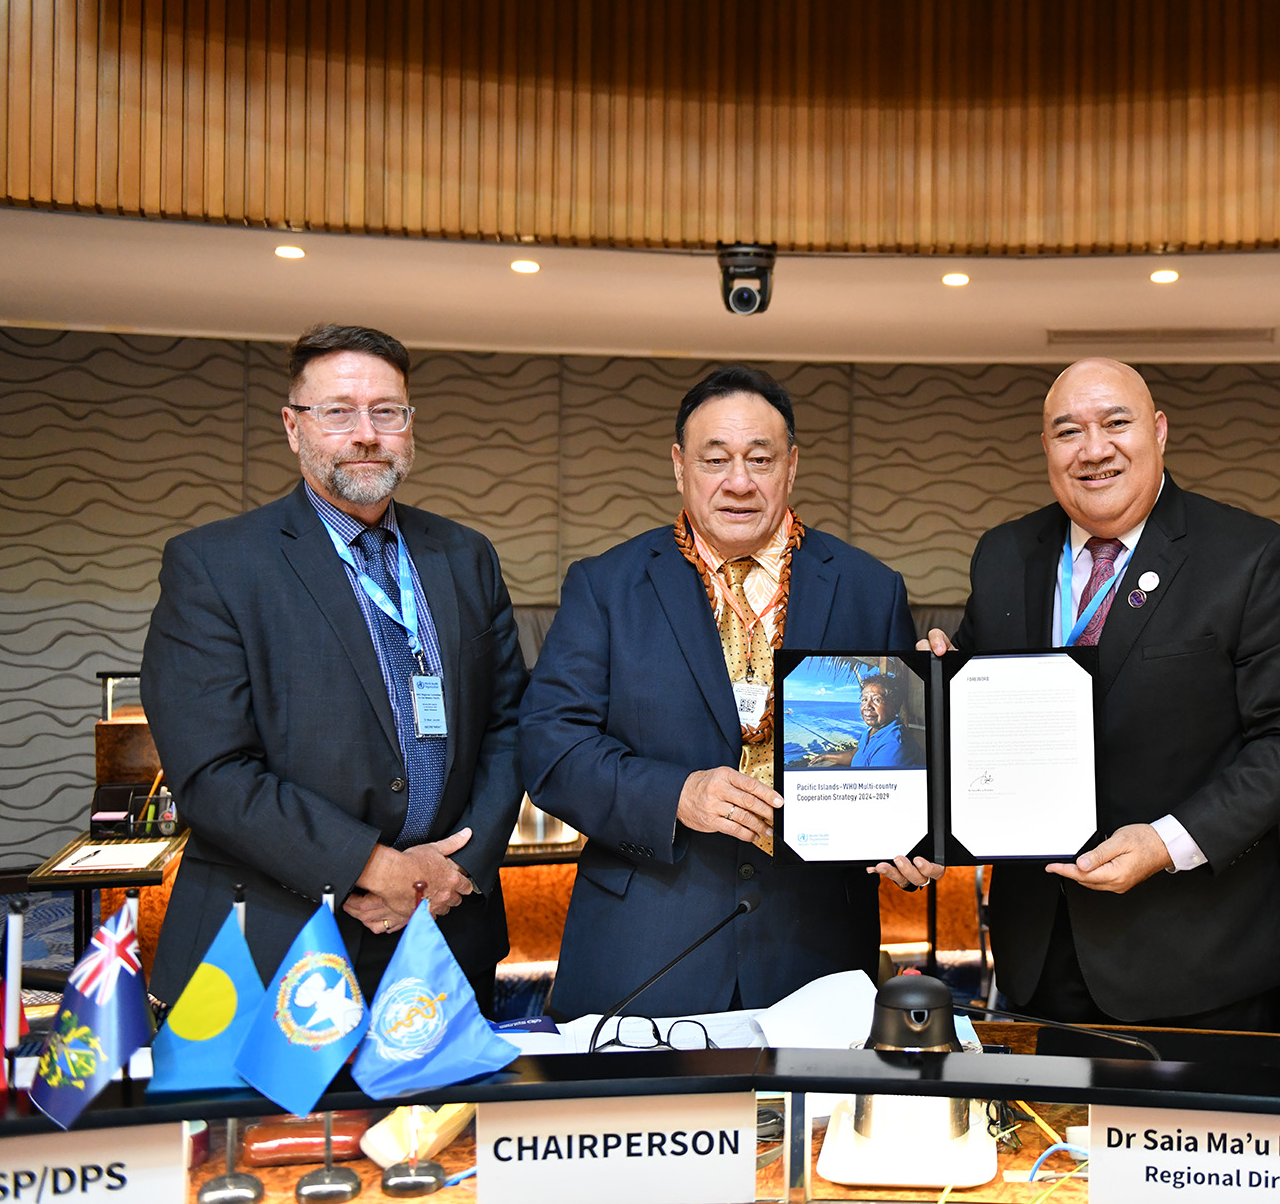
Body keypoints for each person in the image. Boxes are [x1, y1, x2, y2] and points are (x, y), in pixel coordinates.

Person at [892, 358, 1280, 1029]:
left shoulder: (1250, 557)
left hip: (1200, 960)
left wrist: (1168, 843)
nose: (1094, 449)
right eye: (1068, 431)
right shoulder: (1005, 554)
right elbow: (980, 723)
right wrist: (933, 713)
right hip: (1040, 953)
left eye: (1116, 423)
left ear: (1159, 431)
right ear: (1046, 447)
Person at [142, 324, 527, 1009]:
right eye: (338, 412)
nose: (366, 433)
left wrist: (453, 872)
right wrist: (371, 867)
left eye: (387, 412)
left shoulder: (465, 556)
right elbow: (212, 774)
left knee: (443, 1122)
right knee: (277, 1124)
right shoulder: (216, 565)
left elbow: (510, 725)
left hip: (443, 932)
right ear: (294, 428)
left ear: (410, 425)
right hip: (277, 946)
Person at [520, 366, 916, 1019]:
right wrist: (676, 794)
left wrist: (914, 834)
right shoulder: (607, 586)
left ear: (791, 468)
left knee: (810, 1127)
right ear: (680, 466)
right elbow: (549, 748)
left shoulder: (869, 589)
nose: (739, 481)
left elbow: (897, 751)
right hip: (644, 951)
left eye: (760, 459)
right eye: (715, 459)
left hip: (816, 953)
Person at [849, 674, 923, 768]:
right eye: (864, 699)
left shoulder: (893, 746)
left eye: (876, 699)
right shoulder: (871, 730)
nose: (867, 706)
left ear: (895, 706)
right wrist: (825, 756)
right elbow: (854, 755)